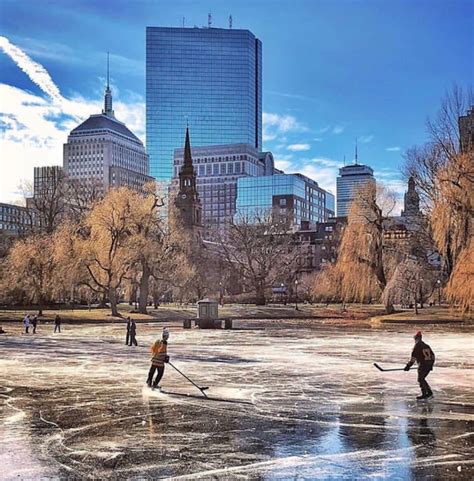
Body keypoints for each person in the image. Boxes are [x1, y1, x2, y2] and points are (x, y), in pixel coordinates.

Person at [404, 331, 435, 400]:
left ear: (416, 339)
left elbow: (413, 358)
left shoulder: (417, 347)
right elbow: (433, 356)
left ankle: (425, 394)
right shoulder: (426, 345)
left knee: (420, 379)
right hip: (428, 364)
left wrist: (408, 366)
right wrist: (431, 364)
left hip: (423, 365)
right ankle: (429, 392)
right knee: (422, 379)